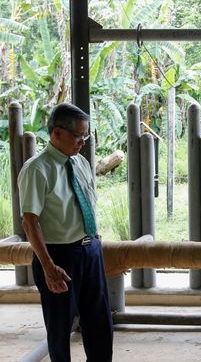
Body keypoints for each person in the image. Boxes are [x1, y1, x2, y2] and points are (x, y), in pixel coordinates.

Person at [18, 103, 113, 361]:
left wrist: (95, 240)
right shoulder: (37, 169)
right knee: (60, 329)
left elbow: (87, 203)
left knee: (100, 323)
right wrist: (48, 266)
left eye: (86, 135)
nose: (82, 141)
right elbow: (30, 222)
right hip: (59, 256)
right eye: (78, 135)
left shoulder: (80, 162)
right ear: (56, 134)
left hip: (90, 250)